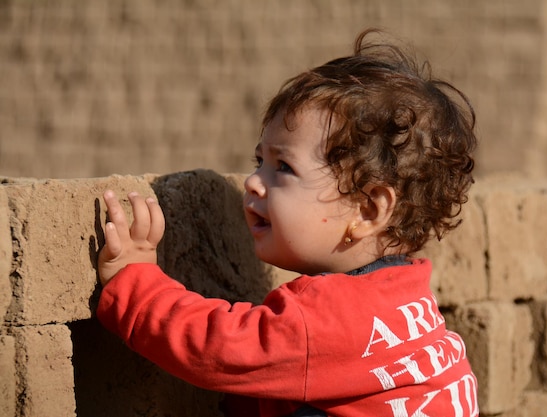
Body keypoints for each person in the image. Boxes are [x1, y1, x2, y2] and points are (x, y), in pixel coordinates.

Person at [97, 29, 479, 417]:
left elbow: (217, 351)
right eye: (258, 161)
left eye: (283, 167)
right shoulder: (409, 299)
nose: (253, 182)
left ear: (367, 210)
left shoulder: (326, 319)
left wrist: (135, 283)